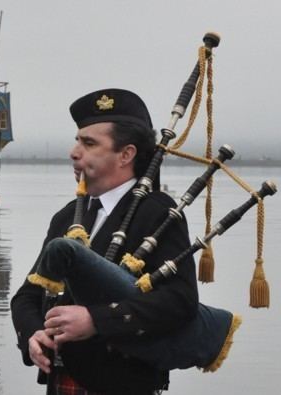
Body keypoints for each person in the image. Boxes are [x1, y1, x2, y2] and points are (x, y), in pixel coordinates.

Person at [10, 89, 199, 395]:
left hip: (123, 384)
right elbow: (28, 295)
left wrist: (95, 320)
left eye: (89, 143)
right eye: (77, 140)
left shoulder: (158, 213)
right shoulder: (67, 217)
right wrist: (32, 335)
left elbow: (180, 301)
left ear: (126, 154)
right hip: (62, 382)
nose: (74, 152)